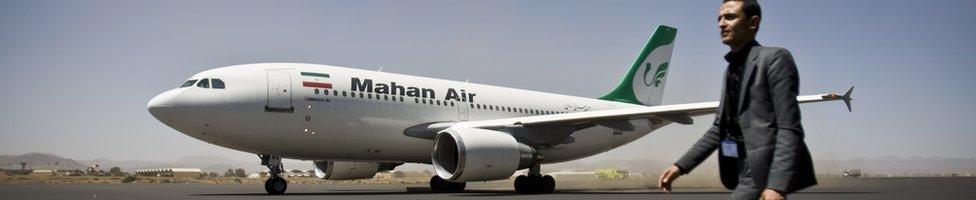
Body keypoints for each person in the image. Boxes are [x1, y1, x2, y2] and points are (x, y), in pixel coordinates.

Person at [657, 0, 817, 200]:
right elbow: (719, 128)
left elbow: (789, 127)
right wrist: (680, 166)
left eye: (730, 17)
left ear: (753, 22)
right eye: (719, 18)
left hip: (763, 169)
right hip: (737, 167)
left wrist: (777, 185)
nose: (721, 23)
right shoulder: (731, 70)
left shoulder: (776, 58)